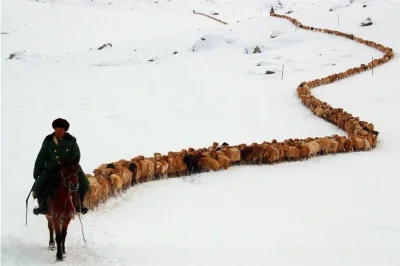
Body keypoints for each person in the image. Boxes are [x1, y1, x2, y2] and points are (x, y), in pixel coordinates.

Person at [32, 118, 89, 215]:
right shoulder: (48, 140)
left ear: (65, 130)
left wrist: (68, 163)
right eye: (57, 129)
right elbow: (41, 156)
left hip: (69, 167)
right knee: (38, 185)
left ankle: (79, 204)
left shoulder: (71, 140)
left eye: (61, 129)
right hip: (51, 167)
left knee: (85, 183)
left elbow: (76, 154)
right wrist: (37, 171)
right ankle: (43, 205)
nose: (58, 131)